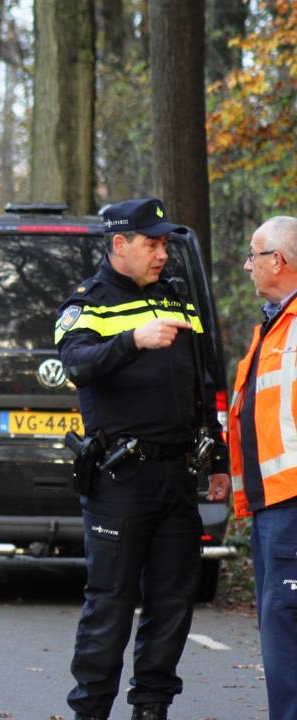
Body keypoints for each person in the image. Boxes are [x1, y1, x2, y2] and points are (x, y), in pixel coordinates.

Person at [55, 198, 231, 720]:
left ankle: (151, 708)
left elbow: (203, 383)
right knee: (110, 605)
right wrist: (132, 340)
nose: (161, 253)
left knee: (173, 603)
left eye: (164, 244)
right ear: (119, 245)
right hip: (120, 479)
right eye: (152, 243)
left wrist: (216, 457)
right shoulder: (87, 303)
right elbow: (76, 364)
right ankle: (91, 711)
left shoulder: (177, 296)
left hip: (177, 475)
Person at [228, 215, 297, 720]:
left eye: (255, 255)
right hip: (270, 502)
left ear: (280, 261)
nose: (248, 265)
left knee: (285, 621)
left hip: (291, 502)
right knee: (278, 622)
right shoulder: (274, 324)